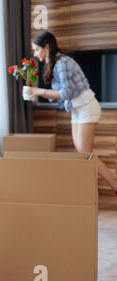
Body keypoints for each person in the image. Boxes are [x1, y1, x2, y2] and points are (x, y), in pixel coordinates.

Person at [29, 31, 117, 194]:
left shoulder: (62, 63)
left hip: (87, 107)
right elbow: (59, 96)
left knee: (85, 153)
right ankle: (90, 190)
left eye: (36, 50)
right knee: (83, 154)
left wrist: (40, 91)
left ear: (46, 47)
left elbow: (66, 93)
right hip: (77, 109)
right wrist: (35, 93)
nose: (35, 54)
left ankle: (114, 186)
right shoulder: (55, 64)